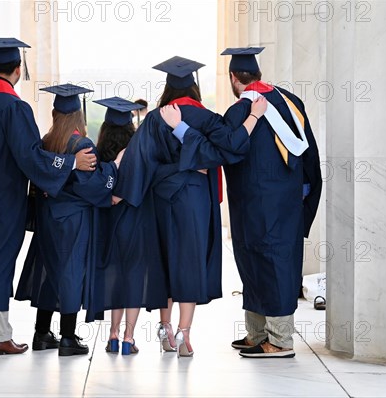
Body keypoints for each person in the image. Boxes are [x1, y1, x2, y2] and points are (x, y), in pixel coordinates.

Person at [0, 39, 97, 356]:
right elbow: (30, 158)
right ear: (17, 70)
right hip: (4, 200)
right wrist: (69, 162)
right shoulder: (15, 109)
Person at [114, 56, 267, 357]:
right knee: (189, 261)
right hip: (194, 198)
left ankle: (164, 328)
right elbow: (229, 149)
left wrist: (118, 194)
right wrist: (253, 118)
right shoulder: (208, 117)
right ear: (194, 88)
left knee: (163, 260)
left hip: (161, 198)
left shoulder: (155, 118)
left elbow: (137, 160)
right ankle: (184, 334)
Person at [207, 47, 322, 358]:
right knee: (260, 263)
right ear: (257, 74)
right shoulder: (290, 103)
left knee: (269, 265)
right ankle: (257, 334)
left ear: (234, 78)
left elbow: (228, 153)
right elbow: (309, 154)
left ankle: (281, 340)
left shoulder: (238, 113)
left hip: (254, 204)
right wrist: (307, 193)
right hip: (284, 203)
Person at [15, 84, 122, 357]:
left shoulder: (47, 141)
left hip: (48, 218)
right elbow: (94, 186)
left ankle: (42, 333)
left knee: (51, 273)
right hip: (73, 220)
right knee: (71, 273)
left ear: (55, 114)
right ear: (79, 117)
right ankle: (67, 337)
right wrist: (115, 167)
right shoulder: (82, 145)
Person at [93, 97, 167, 355]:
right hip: (136, 218)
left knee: (115, 277)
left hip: (109, 220)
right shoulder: (140, 148)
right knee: (134, 276)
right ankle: (127, 338)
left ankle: (112, 335)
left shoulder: (97, 151)